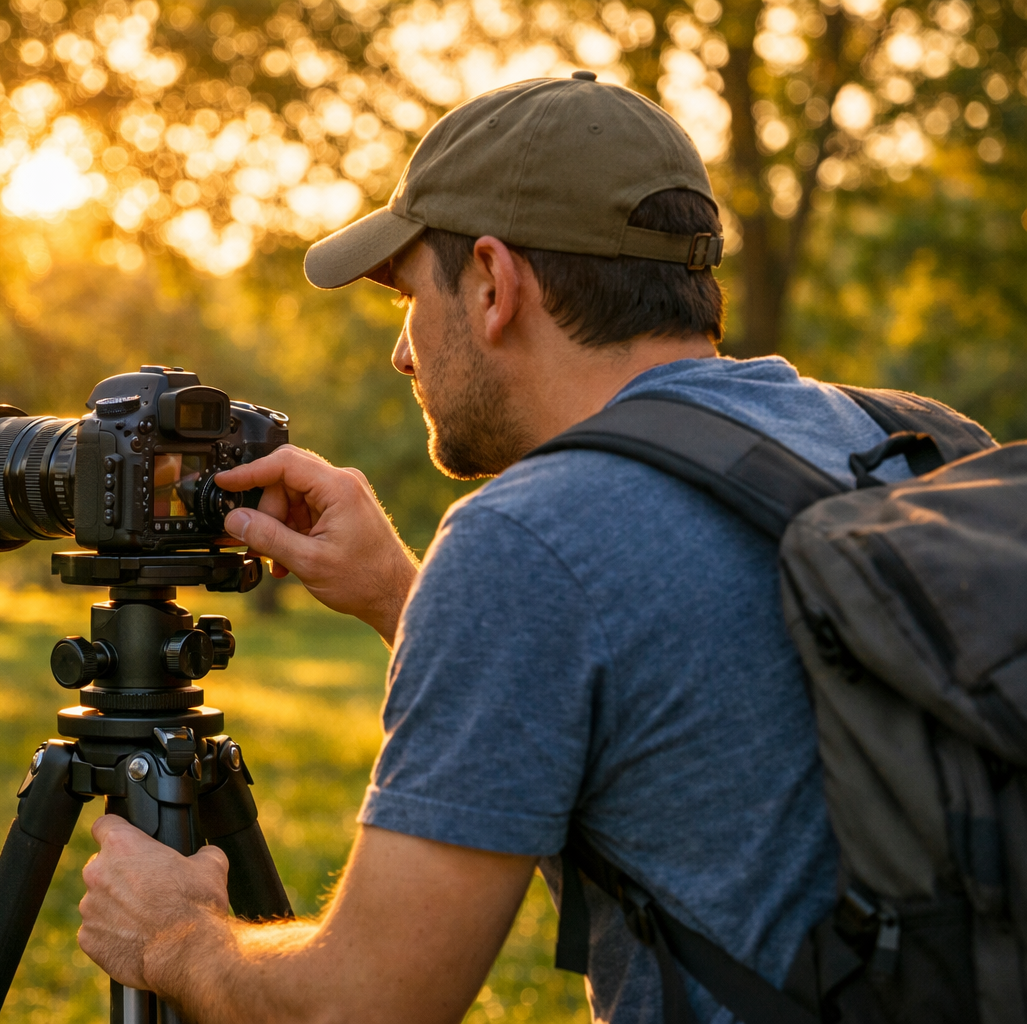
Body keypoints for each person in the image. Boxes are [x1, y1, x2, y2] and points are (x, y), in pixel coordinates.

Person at [75, 73, 921, 1024]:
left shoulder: (528, 539)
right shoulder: (899, 445)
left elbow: (365, 1007)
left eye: (407, 297)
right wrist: (405, 596)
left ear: (491, 282)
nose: (404, 353)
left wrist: (176, 938)